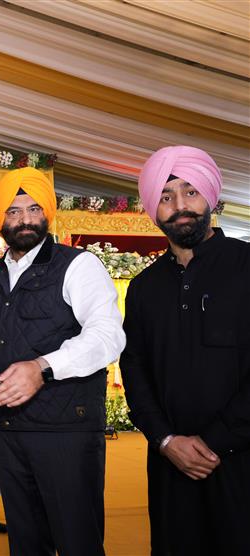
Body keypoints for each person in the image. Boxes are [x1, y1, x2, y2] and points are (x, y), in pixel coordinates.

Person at [0, 167, 125, 555]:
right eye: (14, 211)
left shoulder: (77, 265)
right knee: (26, 543)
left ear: (47, 213)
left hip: (65, 431)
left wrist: (43, 367)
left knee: (77, 541)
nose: (25, 220)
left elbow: (108, 336)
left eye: (34, 209)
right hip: (10, 431)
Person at [120, 146, 250, 555]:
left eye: (190, 192)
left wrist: (215, 441)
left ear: (209, 195)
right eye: (166, 196)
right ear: (153, 209)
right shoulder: (144, 287)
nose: (180, 206)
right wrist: (165, 440)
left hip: (241, 460)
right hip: (171, 463)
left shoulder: (246, 265)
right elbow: (134, 369)